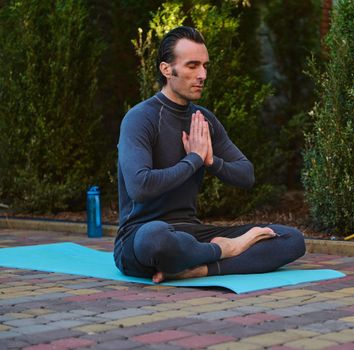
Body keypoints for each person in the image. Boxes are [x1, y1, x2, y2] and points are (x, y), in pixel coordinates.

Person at [113, 26, 305, 283]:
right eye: (192, 66)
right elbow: (140, 187)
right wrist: (193, 159)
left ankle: (200, 268)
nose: (202, 74)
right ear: (166, 69)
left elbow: (246, 174)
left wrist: (211, 161)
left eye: (205, 66)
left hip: (191, 234)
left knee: (291, 239)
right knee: (156, 239)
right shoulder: (140, 118)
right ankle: (223, 250)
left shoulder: (203, 120)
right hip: (139, 237)